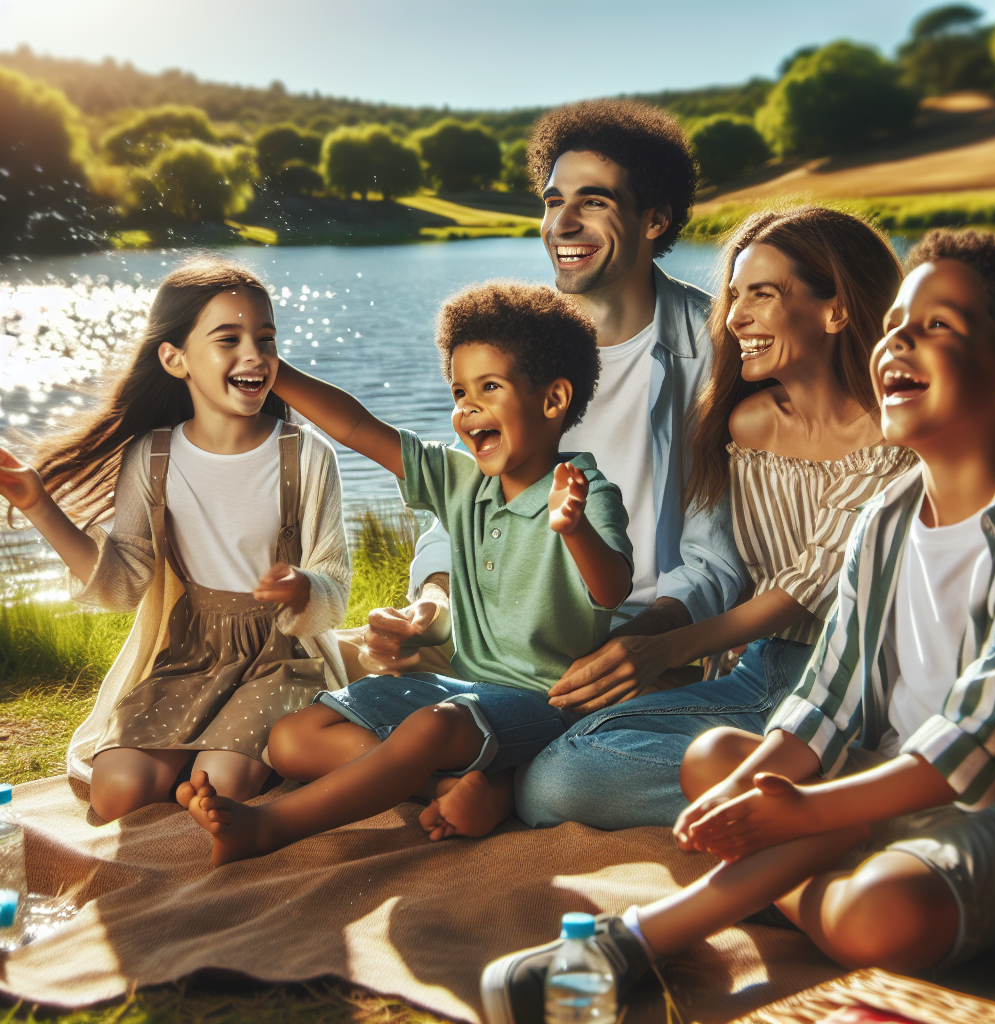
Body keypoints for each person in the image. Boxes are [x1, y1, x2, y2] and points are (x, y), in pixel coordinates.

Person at [480, 230, 995, 1021]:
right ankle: (815, 848)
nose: (899, 338)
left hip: (994, 806)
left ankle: (636, 937)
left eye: (938, 326)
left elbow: (974, 742)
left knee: (876, 914)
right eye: (900, 320)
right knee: (715, 759)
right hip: (872, 773)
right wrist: (756, 784)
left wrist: (803, 813)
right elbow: (831, 699)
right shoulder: (887, 519)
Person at [179, 282, 633, 865]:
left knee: (427, 729)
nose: (467, 409)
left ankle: (267, 828)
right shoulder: (462, 481)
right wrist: (275, 371)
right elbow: (357, 429)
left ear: (552, 400)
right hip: (464, 688)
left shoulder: (586, 492)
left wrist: (574, 530)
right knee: (292, 739)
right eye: (458, 391)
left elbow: (612, 589)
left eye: (488, 388)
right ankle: (452, 787)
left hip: (548, 702)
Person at [518, 205, 917, 829]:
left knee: (567, 772)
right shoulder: (747, 427)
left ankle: (847, 797)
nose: (734, 318)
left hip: (867, 692)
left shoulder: (900, 436)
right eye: (734, 295)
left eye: (763, 294)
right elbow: (730, 566)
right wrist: (647, 644)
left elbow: (805, 588)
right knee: (557, 777)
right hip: (763, 673)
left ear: (836, 309)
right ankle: (833, 798)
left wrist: (661, 649)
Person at [344, 98, 747, 707]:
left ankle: (490, 762)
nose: (561, 224)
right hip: (504, 633)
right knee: (341, 667)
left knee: (532, 756)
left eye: (594, 201)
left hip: (643, 641)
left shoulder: (718, 351)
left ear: (655, 219)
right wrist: (432, 604)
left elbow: (717, 553)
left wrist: (641, 643)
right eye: (554, 201)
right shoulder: (514, 339)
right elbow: (463, 501)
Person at [0, 257, 350, 822]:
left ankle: (219, 772)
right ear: (175, 358)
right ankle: (187, 773)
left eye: (265, 338)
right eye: (228, 339)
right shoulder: (153, 457)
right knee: (115, 792)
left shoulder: (306, 455)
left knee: (224, 782)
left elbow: (335, 581)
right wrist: (40, 505)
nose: (254, 356)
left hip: (280, 657)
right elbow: (121, 584)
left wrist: (303, 588)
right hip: (190, 653)